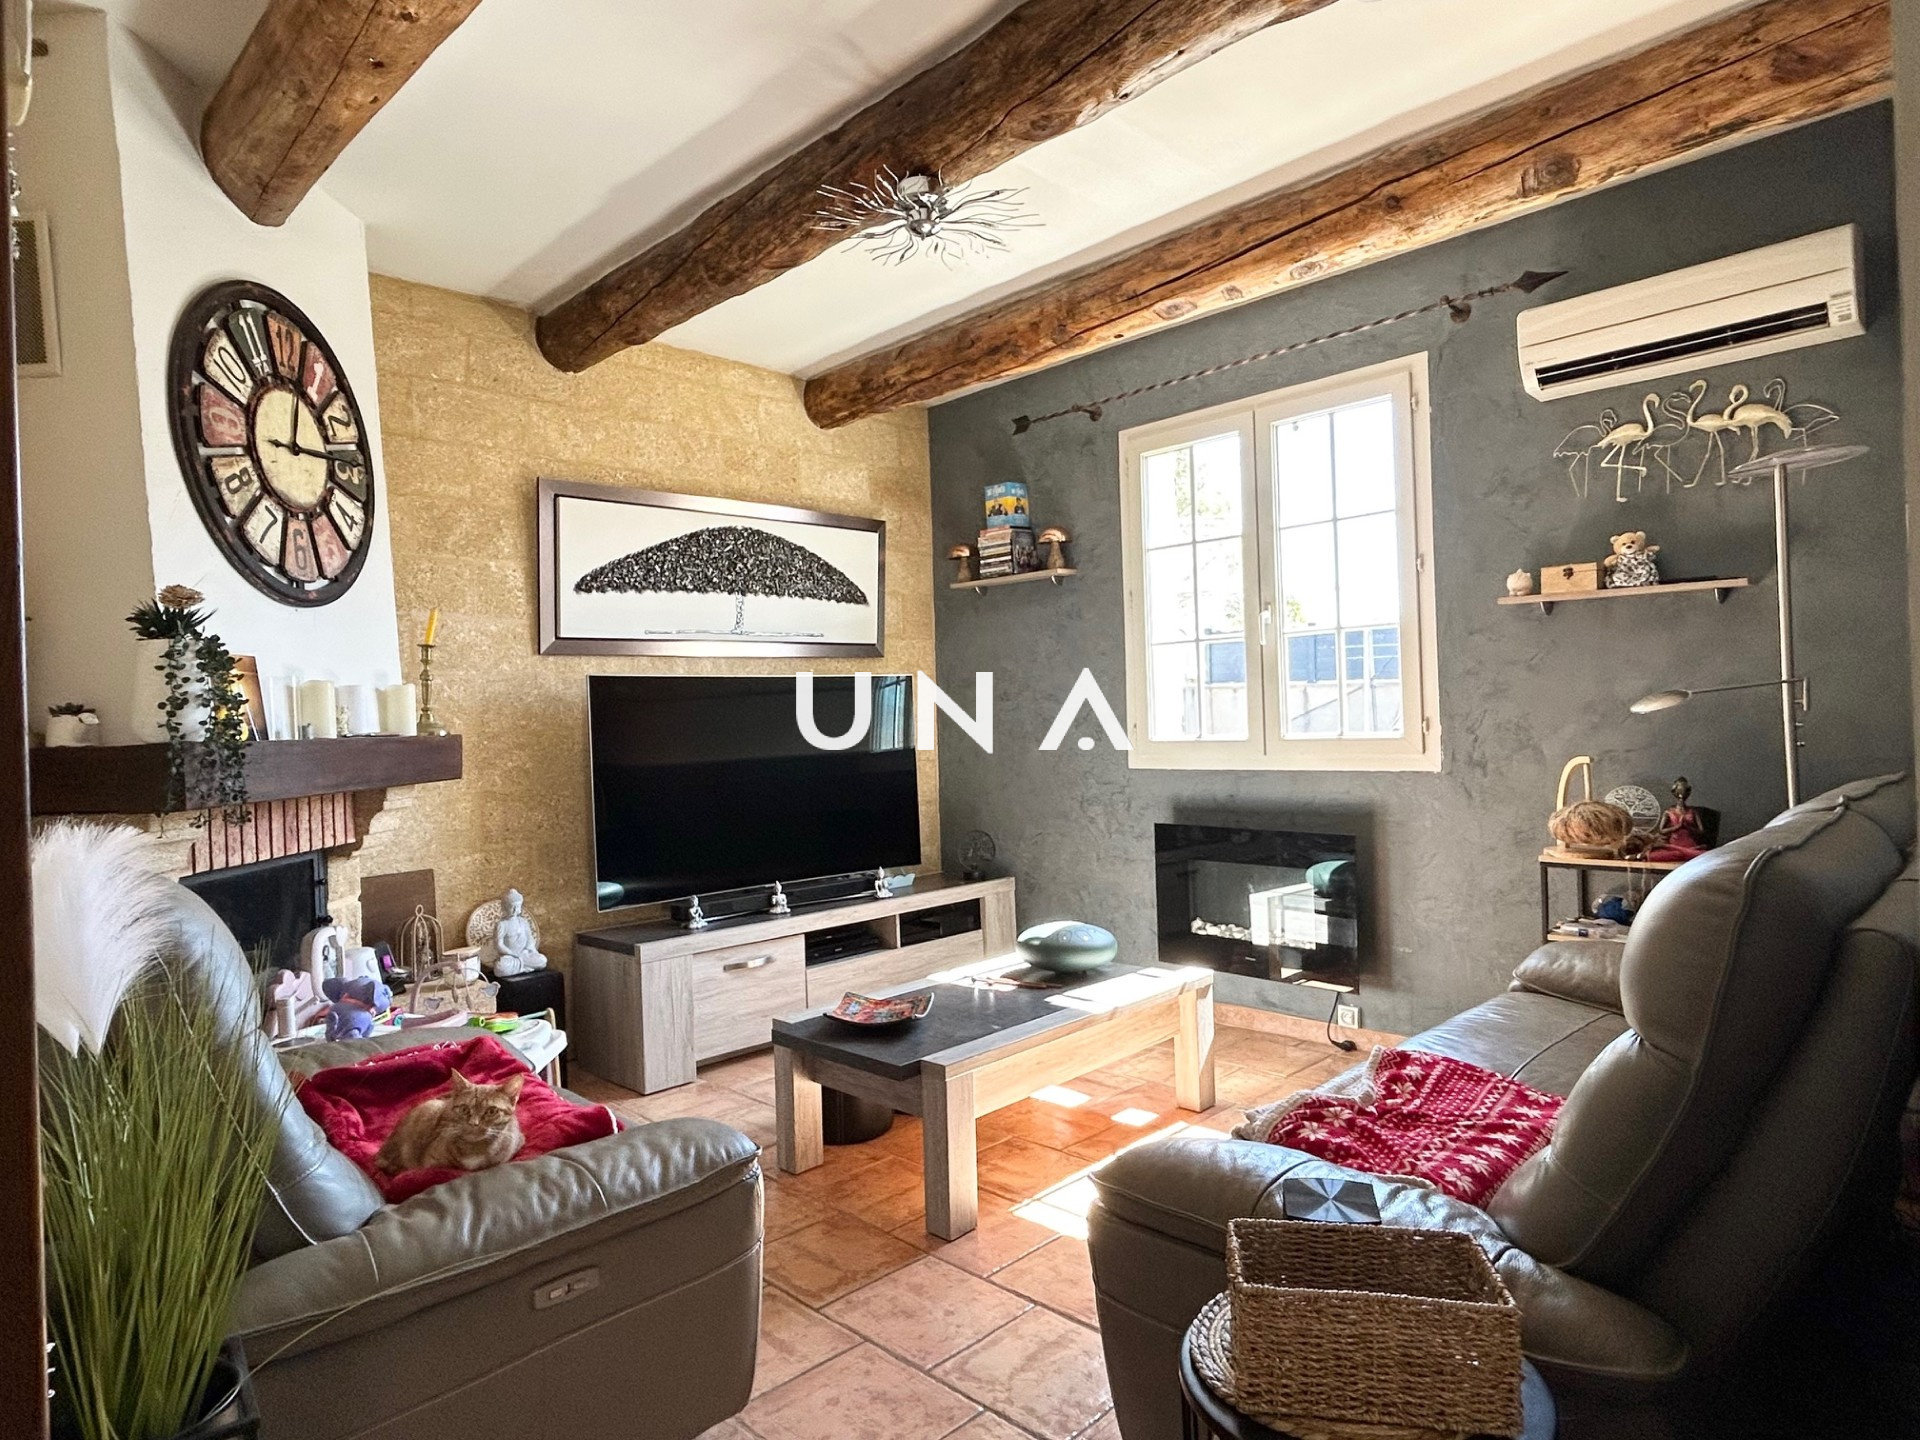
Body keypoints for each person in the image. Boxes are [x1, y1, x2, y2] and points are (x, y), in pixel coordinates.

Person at [486, 888, 548, 977]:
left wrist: (531, 951)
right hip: (510, 956)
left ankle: (521, 966)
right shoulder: (502, 924)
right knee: (500, 967)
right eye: (512, 907)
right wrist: (512, 953)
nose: (515, 910)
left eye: (518, 907)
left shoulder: (523, 922)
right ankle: (525, 967)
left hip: (524, 954)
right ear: (505, 907)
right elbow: (499, 945)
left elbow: (530, 941)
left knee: (542, 960)